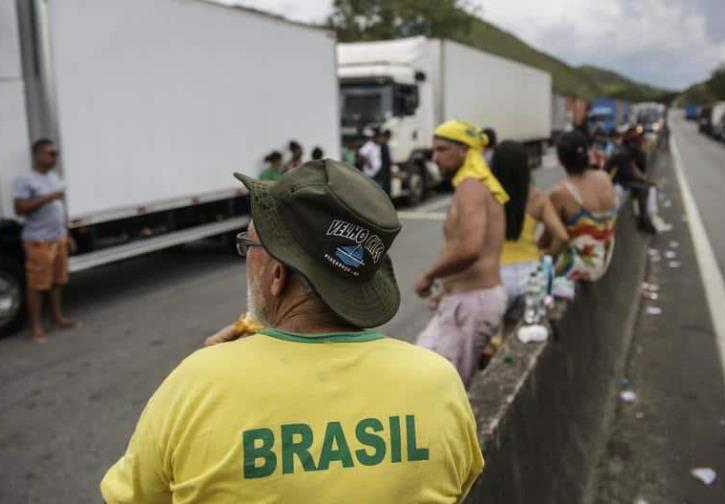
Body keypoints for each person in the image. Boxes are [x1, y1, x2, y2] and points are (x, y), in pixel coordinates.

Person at [101, 160, 484, 503]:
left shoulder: (195, 386)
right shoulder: (438, 384)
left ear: (278, 275)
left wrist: (212, 371)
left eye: (249, 245)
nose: (244, 256)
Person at [415, 120, 509, 387]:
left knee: (444, 387)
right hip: (461, 300)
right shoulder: (474, 185)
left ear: (465, 151)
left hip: (473, 302)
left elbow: (471, 247)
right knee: (422, 371)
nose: (435, 158)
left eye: (442, 150)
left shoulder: (471, 187)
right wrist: (447, 287)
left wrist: (428, 274)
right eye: (434, 151)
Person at [12, 139, 80, 342]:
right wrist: (46, 198)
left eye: (56, 154)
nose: (55, 158)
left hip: (57, 238)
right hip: (38, 240)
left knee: (57, 282)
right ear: (38, 155)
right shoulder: (24, 180)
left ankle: (58, 318)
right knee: (37, 284)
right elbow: (20, 209)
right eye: (51, 154)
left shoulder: (52, 177)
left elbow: (59, 210)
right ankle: (35, 327)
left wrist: (67, 235)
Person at [490, 141, 562, 318]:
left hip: (496, 277)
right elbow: (561, 236)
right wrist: (548, 257)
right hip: (530, 276)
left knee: (493, 340)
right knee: (518, 329)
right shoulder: (537, 198)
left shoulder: (487, 198)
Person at [542, 131, 618, 282]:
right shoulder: (604, 178)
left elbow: (549, 238)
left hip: (582, 266)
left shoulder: (561, 193)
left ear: (561, 161)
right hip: (606, 258)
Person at [606, 128, 657, 234]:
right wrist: (643, 181)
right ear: (631, 143)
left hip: (620, 180)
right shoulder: (622, 154)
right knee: (642, 189)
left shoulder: (627, 152)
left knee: (644, 187)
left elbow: (634, 168)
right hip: (615, 183)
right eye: (636, 143)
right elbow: (627, 174)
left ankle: (644, 216)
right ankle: (643, 219)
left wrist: (645, 180)